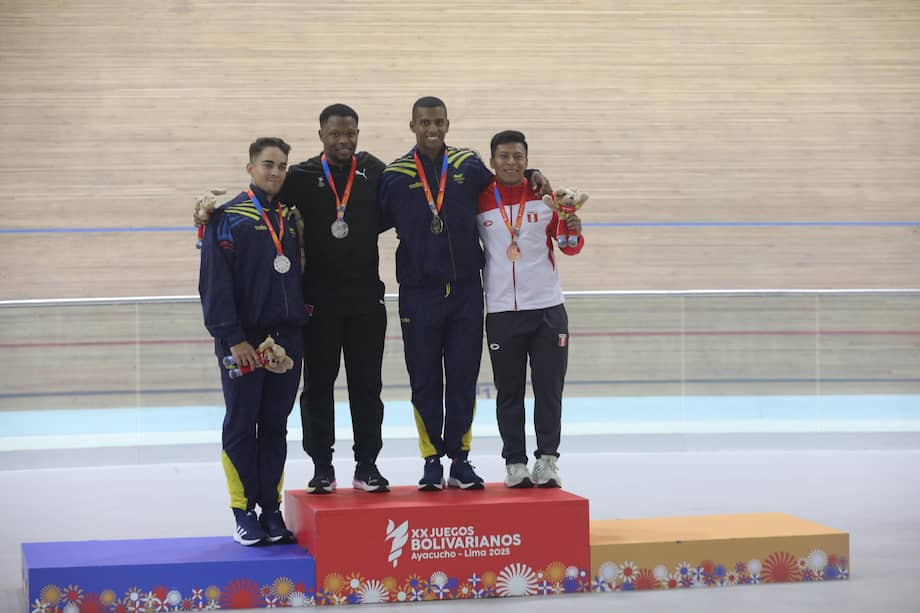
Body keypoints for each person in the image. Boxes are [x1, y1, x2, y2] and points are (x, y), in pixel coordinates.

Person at [378, 97, 550, 491]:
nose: (432, 129)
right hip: (418, 294)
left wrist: (534, 172)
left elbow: (505, 183)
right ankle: (431, 461)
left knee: (463, 377)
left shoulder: (467, 166)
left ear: (447, 124)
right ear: (413, 126)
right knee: (423, 380)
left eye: (438, 121)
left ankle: (460, 458)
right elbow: (371, 219)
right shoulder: (395, 174)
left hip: (467, 293)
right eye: (424, 122)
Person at [198, 137, 307, 545]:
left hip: (285, 343)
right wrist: (233, 339)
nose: (276, 173)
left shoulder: (291, 219)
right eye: (268, 165)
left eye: (282, 166)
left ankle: (271, 509)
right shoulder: (226, 218)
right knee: (243, 424)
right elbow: (214, 285)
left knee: (275, 426)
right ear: (250, 168)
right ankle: (243, 512)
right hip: (243, 343)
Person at [280, 104, 389, 494]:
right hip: (318, 302)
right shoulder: (301, 176)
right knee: (318, 386)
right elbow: (262, 198)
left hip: (366, 302)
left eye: (350, 134)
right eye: (336, 134)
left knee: (367, 386)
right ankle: (321, 466)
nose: (344, 141)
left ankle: (367, 465)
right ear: (321, 135)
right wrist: (212, 216)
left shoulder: (375, 172)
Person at [476, 130, 583, 488]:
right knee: (508, 391)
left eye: (518, 156)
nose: (511, 162)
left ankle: (548, 460)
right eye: (503, 156)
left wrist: (572, 227)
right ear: (492, 161)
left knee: (549, 388)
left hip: (548, 310)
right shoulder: (480, 199)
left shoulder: (545, 197)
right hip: (503, 311)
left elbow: (568, 247)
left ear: (526, 159)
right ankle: (515, 463)